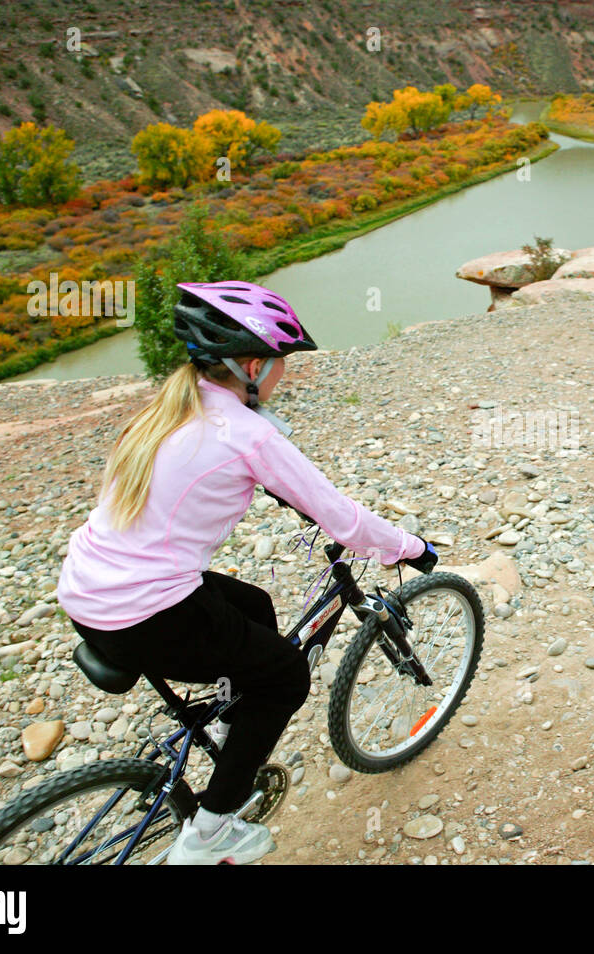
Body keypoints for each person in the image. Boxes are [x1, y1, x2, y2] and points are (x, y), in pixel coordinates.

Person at [55, 280, 438, 864]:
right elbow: (340, 516)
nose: (286, 375)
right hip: (145, 612)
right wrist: (409, 548)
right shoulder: (248, 434)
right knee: (285, 676)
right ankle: (209, 835)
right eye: (281, 364)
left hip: (89, 592)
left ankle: (236, 728)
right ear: (253, 365)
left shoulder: (166, 410)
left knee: (255, 607)